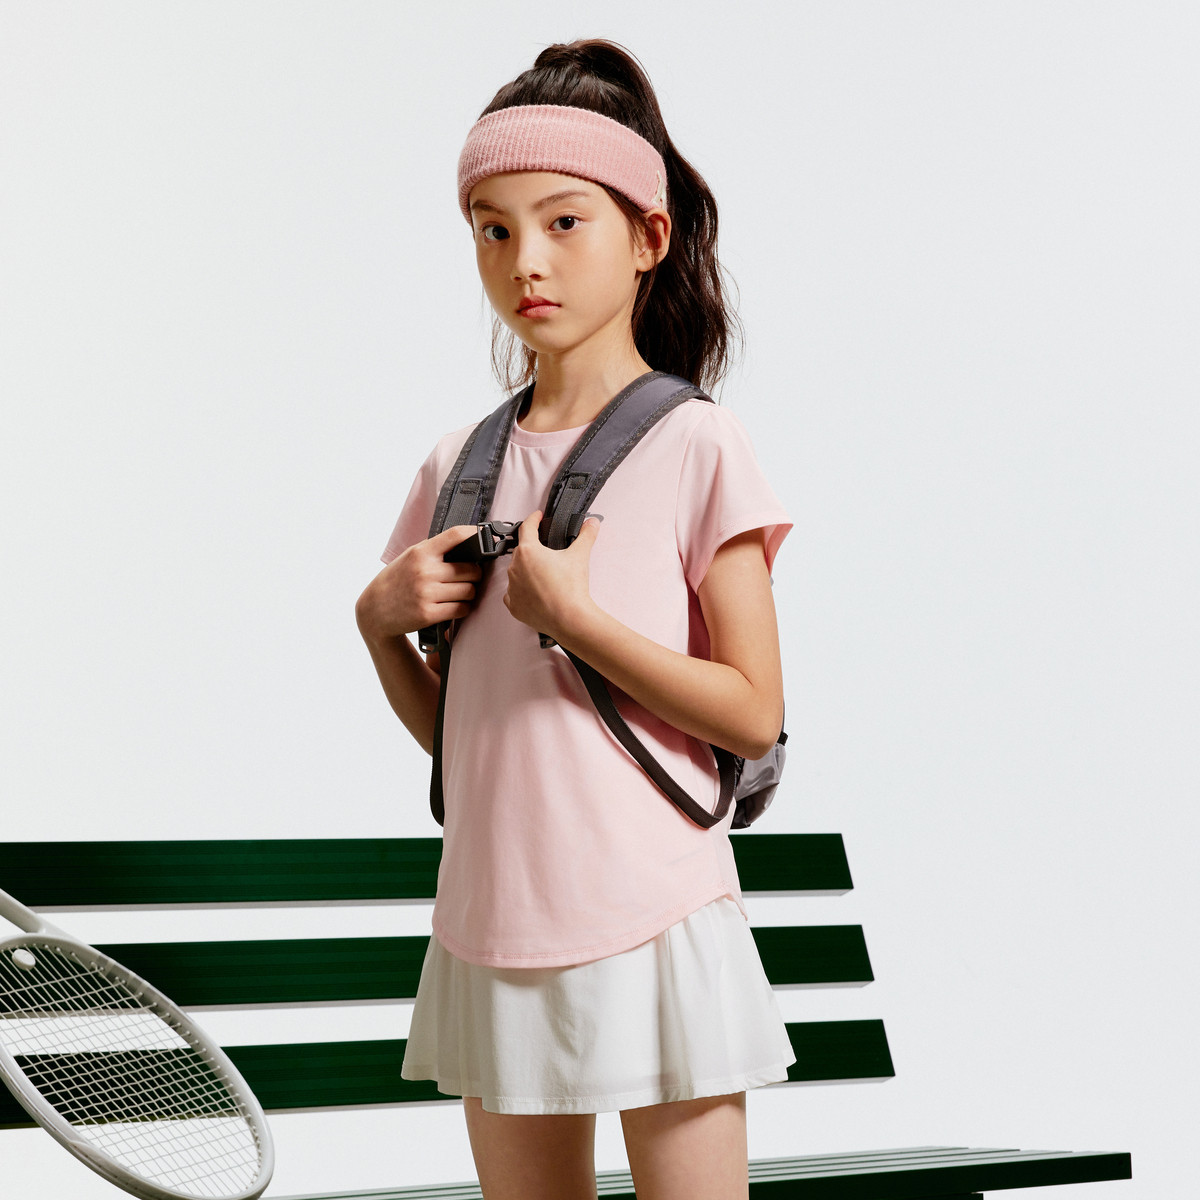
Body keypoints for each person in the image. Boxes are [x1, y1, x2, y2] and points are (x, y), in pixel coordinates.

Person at [355, 39, 795, 1200]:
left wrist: (576, 620)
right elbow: (468, 741)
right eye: (493, 230)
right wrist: (377, 625)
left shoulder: (696, 443)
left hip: (656, 914)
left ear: (648, 238)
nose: (526, 261)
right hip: (493, 921)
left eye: (563, 222)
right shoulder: (458, 463)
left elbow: (754, 713)